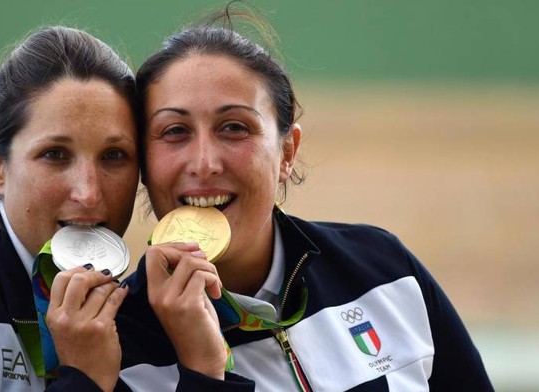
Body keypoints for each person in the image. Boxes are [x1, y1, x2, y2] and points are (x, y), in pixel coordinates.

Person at [115, 5, 494, 391]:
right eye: (175, 131)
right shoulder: (115, 345)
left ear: (287, 152)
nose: (205, 163)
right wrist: (201, 371)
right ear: (144, 163)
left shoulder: (384, 270)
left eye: (234, 127)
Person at [0, 26, 139, 391]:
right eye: (55, 154)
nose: (88, 193)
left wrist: (204, 371)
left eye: (114, 156)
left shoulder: (138, 309)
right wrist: (84, 378)